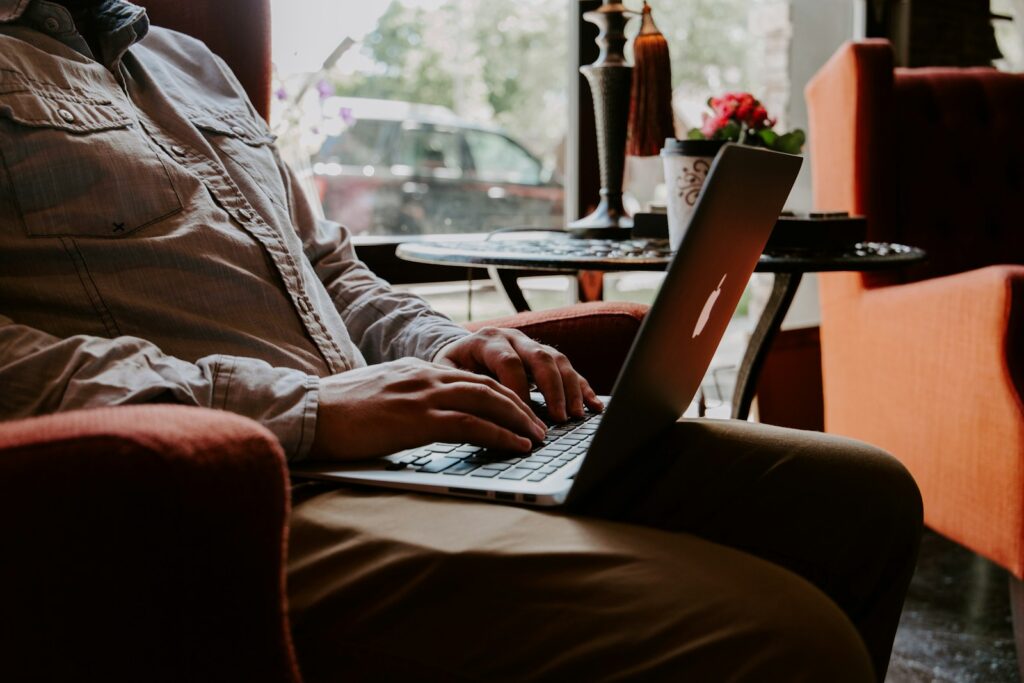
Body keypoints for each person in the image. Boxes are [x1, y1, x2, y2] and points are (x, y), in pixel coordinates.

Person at [0, 1, 923, 680]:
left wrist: (448, 344)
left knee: (865, 497)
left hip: (402, 454)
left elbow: (335, 273)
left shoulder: (189, 63)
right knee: (787, 640)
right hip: (234, 500)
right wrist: (314, 411)